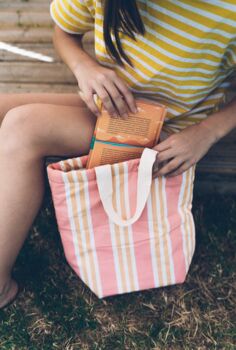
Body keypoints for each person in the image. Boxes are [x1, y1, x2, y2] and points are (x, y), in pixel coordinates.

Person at [0, 0, 235, 309]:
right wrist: (86, 68)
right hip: (111, 110)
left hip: (167, 132)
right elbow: (64, 33)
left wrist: (207, 132)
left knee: (23, 128)